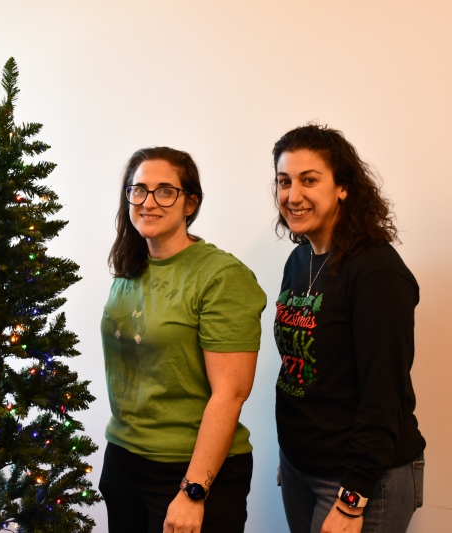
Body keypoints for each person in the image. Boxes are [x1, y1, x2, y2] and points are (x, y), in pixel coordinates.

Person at [98, 147, 267, 533]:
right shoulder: (131, 266)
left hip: (189, 471)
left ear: (190, 202)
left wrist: (194, 491)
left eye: (165, 191)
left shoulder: (221, 276)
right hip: (124, 460)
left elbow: (231, 394)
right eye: (138, 190)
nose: (148, 201)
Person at [271, 124, 425, 533]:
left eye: (309, 180)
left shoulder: (376, 272)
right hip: (301, 467)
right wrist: (293, 454)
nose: (293, 195)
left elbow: (383, 394)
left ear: (342, 187)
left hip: (363, 480)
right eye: (284, 181)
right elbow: (297, 366)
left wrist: (353, 497)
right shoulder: (300, 260)